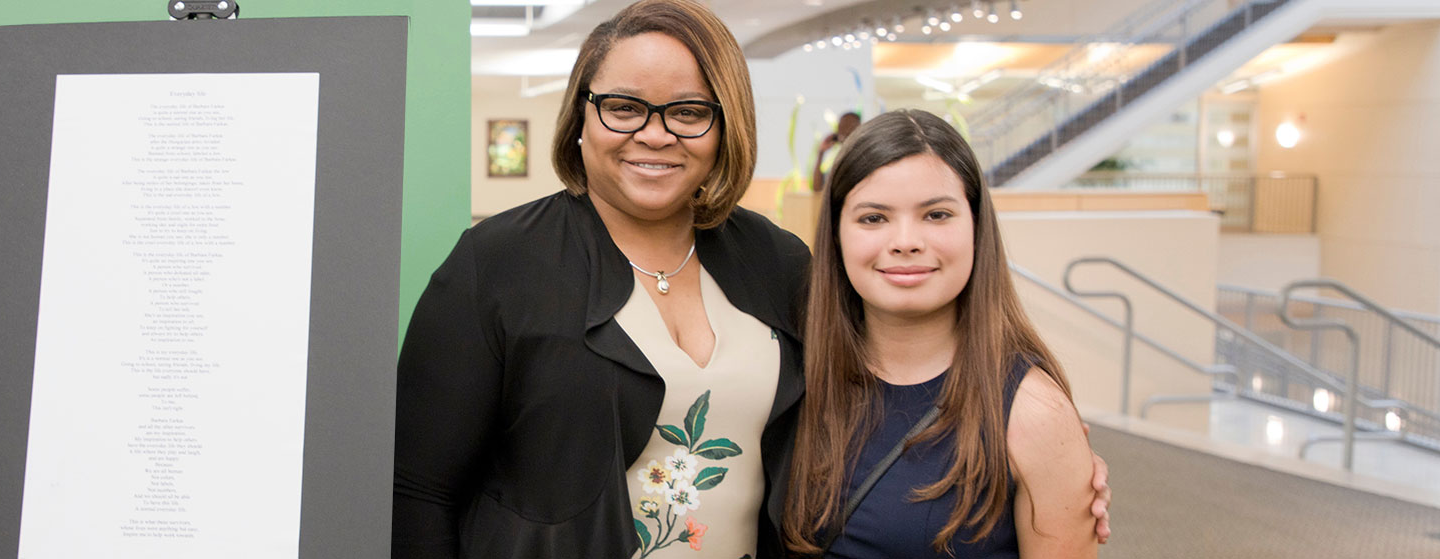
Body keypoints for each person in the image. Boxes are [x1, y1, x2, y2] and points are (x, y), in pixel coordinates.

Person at [393, 2, 1109, 558]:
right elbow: (419, 491)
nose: (654, 133)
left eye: (688, 112)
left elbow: (895, 376)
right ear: (581, 114)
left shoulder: (776, 262)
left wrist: (1045, 449)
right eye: (623, 106)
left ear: (724, 126)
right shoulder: (497, 265)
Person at [778, 109, 1100, 558]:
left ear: (976, 227)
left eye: (936, 214)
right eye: (873, 218)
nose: (906, 241)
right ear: (836, 235)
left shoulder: (1033, 413)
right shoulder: (792, 378)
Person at [809, 111, 860, 194]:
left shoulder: (862, 156)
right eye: (842, 126)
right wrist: (821, 153)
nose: (845, 130)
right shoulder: (836, 160)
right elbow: (817, 187)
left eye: (849, 125)